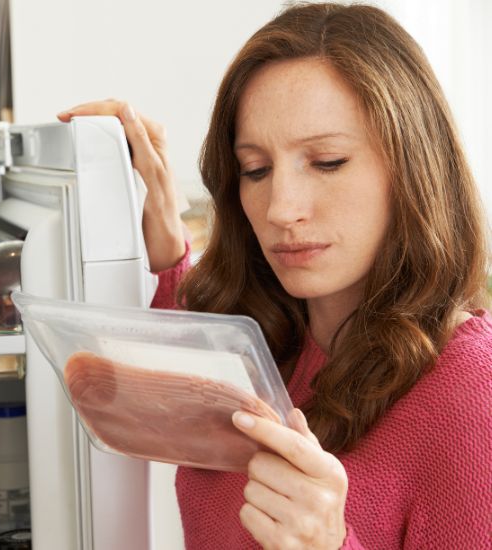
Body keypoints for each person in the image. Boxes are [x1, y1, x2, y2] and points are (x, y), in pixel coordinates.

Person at [57, 2, 492, 549]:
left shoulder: (472, 391)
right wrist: (164, 238)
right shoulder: (258, 341)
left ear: (412, 168)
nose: (281, 208)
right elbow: (145, 411)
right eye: (255, 170)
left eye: (327, 161)